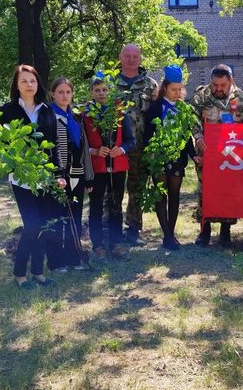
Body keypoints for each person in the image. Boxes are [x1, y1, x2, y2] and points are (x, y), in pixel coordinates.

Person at [0, 65, 63, 287]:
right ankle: (19, 273)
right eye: (24, 81)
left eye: (32, 81)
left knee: (44, 224)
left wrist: (58, 174)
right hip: (21, 178)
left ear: (38, 84)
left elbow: (53, 148)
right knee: (32, 224)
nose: (29, 85)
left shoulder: (47, 111)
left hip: (45, 177)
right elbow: (2, 145)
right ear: (17, 84)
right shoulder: (6, 112)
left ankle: (38, 272)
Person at [191, 64, 243, 247]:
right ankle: (205, 230)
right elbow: (192, 116)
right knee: (206, 191)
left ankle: (225, 231)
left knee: (229, 192)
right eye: (215, 85)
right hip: (208, 152)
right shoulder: (201, 96)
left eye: (222, 85)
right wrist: (197, 135)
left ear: (231, 82)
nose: (218, 89)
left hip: (233, 154)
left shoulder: (242, 97)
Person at [83, 73, 134, 262]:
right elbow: (81, 144)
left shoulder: (120, 113)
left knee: (115, 205)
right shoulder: (85, 115)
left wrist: (120, 149)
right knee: (95, 207)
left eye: (105, 89)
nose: (101, 93)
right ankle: (97, 245)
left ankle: (116, 243)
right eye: (97, 90)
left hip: (118, 167)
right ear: (91, 92)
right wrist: (94, 151)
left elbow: (131, 140)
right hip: (97, 168)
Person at [144, 65, 194, 250]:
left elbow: (187, 135)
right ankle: (166, 234)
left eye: (180, 89)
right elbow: (148, 134)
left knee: (175, 196)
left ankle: (171, 233)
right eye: (174, 89)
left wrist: (193, 155)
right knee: (160, 196)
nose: (177, 92)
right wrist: (151, 155)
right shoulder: (155, 108)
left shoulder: (183, 108)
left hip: (177, 159)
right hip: (159, 159)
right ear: (165, 87)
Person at [47, 77, 95, 270]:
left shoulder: (76, 117)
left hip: (77, 173)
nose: (64, 96)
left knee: (75, 216)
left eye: (68, 92)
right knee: (59, 217)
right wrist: (55, 173)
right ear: (52, 94)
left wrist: (89, 177)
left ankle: (73, 257)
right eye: (60, 92)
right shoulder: (49, 115)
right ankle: (56, 261)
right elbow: (50, 148)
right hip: (59, 175)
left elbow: (84, 148)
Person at [114, 44, 158, 247]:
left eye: (135, 56)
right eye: (127, 56)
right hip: (114, 146)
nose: (131, 60)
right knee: (112, 188)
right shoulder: (109, 81)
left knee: (137, 187)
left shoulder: (150, 85)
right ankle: (111, 227)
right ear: (120, 57)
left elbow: (157, 114)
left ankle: (133, 228)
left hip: (140, 146)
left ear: (140, 58)